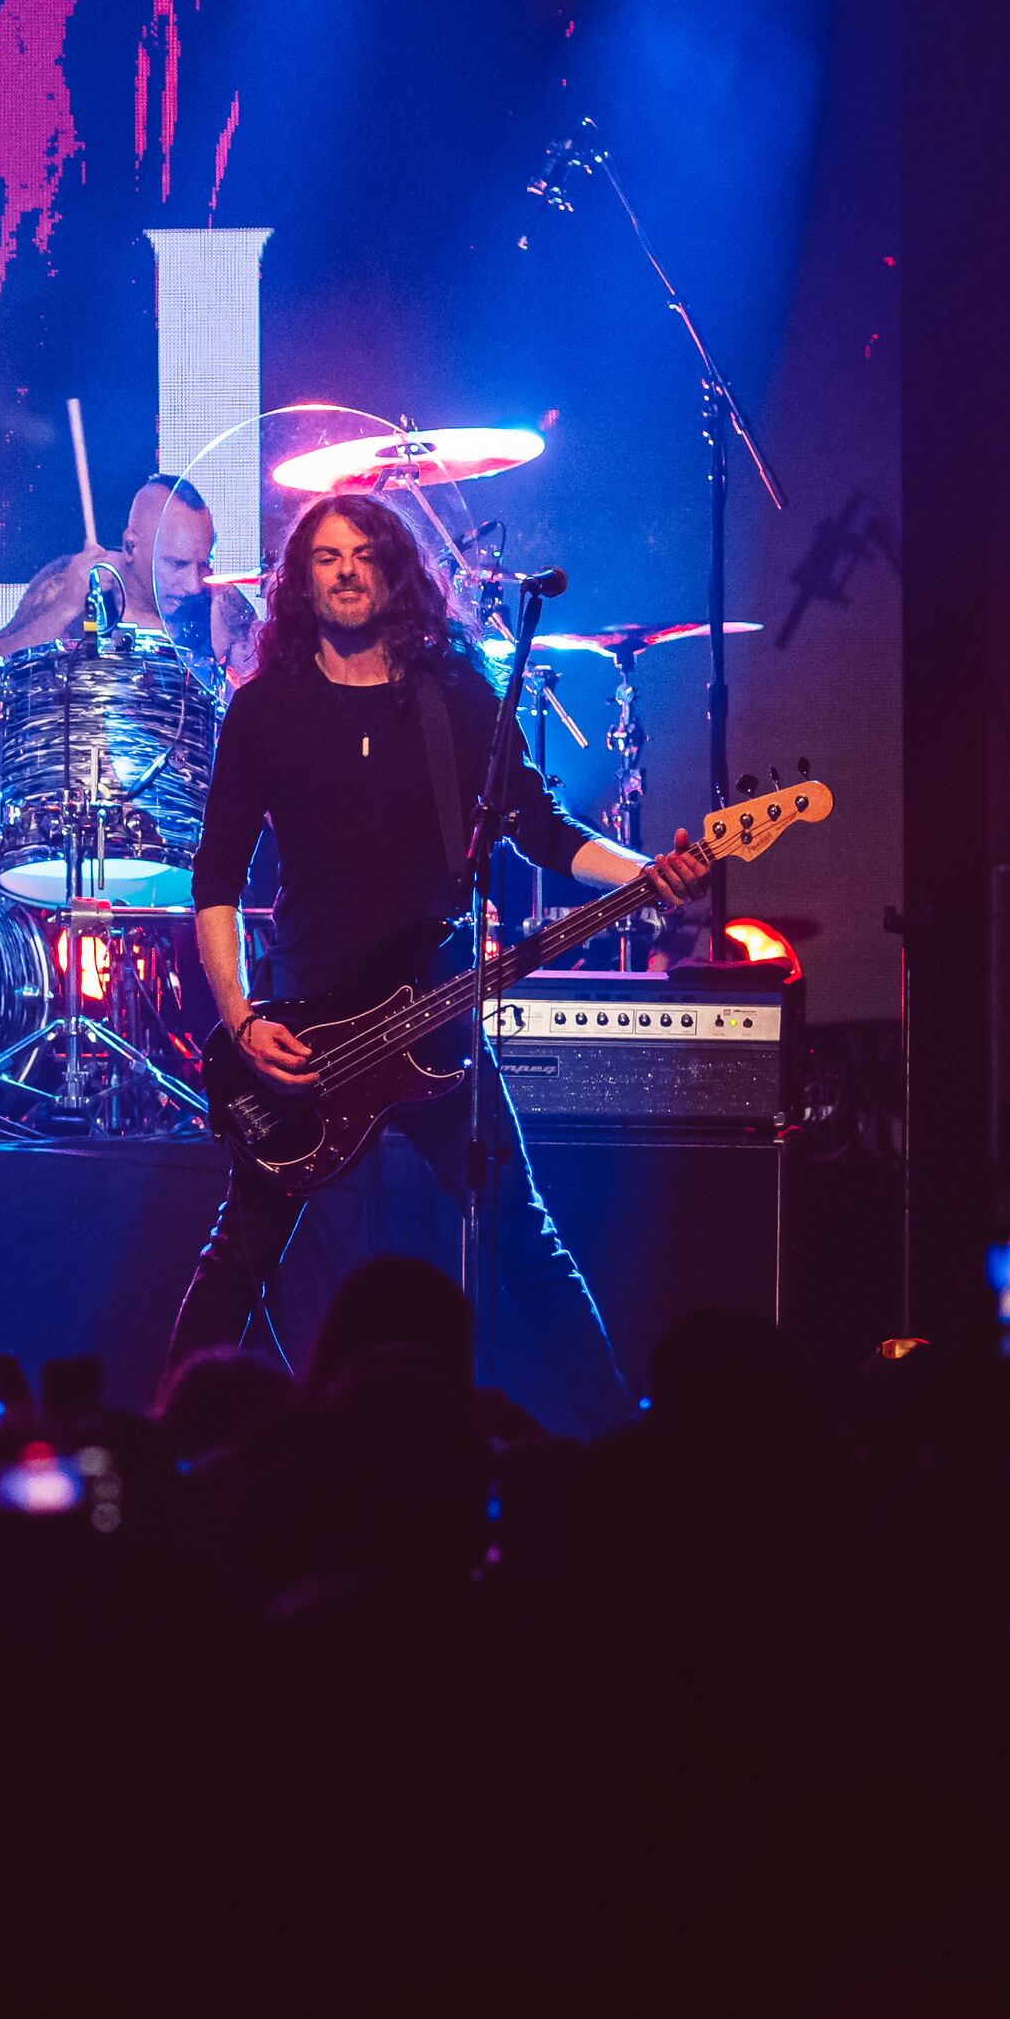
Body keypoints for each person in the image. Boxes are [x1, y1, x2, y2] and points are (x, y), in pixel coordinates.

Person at [164, 487, 710, 1370]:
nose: (345, 571)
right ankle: (169, 1455)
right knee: (237, 1262)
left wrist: (644, 877)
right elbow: (216, 879)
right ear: (301, 580)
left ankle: (615, 1440)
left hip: (436, 1019)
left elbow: (540, 827)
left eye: (364, 554)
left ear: (395, 571)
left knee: (527, 1243)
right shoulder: (264, 708)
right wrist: (241, 1018)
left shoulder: (453, 691)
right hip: (307, 1028)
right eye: (326, 556)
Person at [0, 469, 257, 682]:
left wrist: (231, 666)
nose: (194, 585)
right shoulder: (71, 581)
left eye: (204, 564)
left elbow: (263, 712)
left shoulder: (221, 602)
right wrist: (66, 606)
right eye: (177, 564)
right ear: (131, 545)